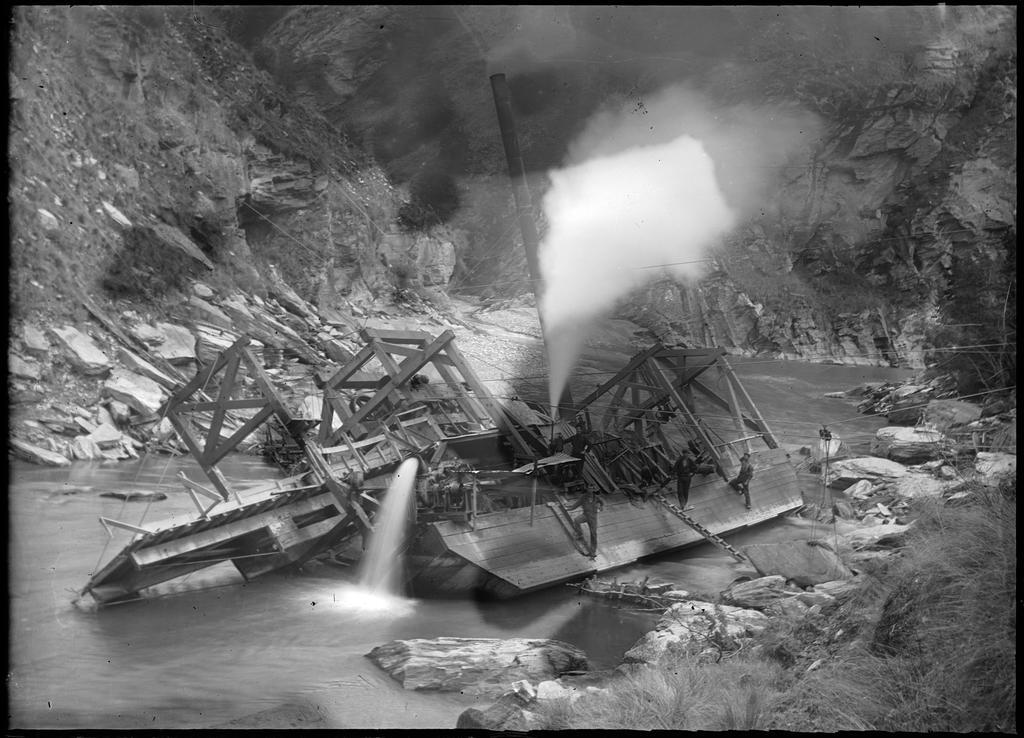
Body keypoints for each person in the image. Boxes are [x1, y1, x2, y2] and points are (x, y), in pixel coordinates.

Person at [566, 486, 603, 558]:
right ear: (587, 489)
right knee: (576, 520)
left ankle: (593, 551)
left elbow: (602, 504)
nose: (590, 490)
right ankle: (579, 533)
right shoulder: (583, 497)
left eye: (591, 489)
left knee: (593, 534)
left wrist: (600, 507)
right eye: (588, 489)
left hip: (593, 518)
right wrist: (570, 509)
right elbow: (576, 504)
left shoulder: (597, 498)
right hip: (585, 515)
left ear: (593, 490)